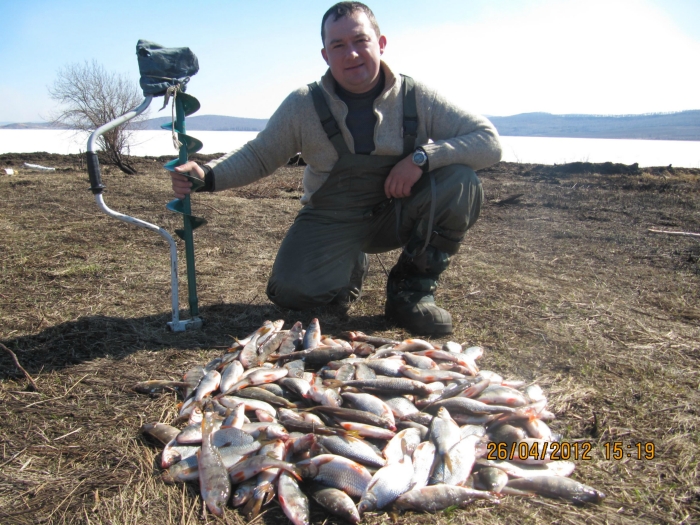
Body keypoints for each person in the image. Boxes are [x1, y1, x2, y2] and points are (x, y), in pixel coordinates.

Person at [170, 2, 502, 335]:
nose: (352, 54)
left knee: (460, 181)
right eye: (338, 45)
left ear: (381, 43)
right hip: (332, 218)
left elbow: (488, 141)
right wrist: (207, 175)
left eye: (360, 41)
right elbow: (260, 153)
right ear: (325, 55)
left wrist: (422, 158)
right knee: (289, 293)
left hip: (398, 213)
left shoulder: (418, 97)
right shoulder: (304, 104)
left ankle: (410, 292)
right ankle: (349, 266)